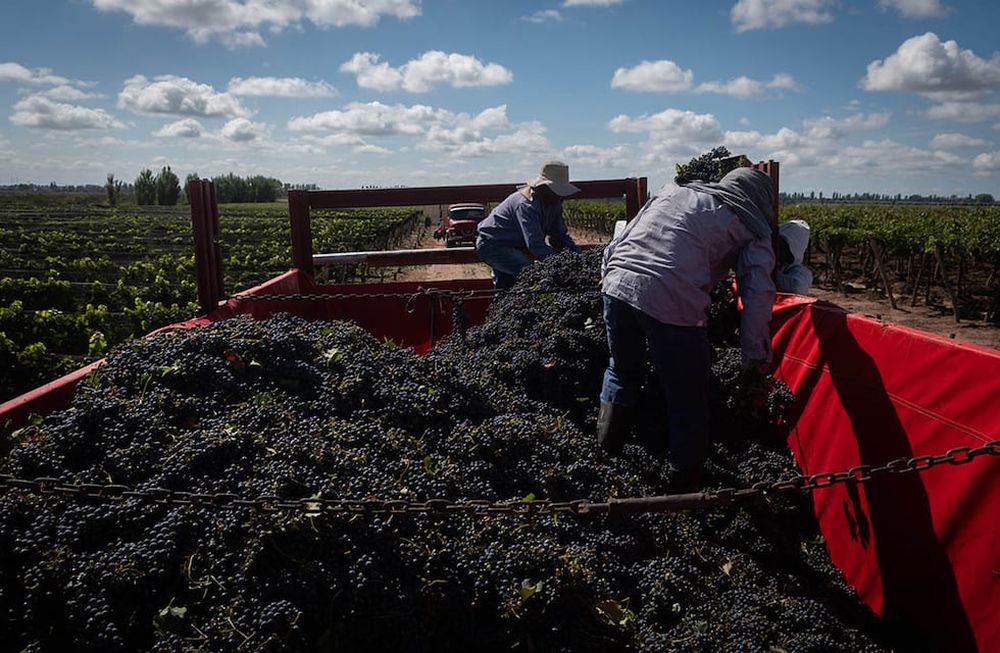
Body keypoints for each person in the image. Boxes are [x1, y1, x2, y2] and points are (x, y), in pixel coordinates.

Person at [598, 167, 777, 492]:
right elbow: (756, 296)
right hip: (673, 299)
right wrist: (754, 360)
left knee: (622, 372)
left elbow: (617, 244)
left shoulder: (672, 192)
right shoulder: (751, 225)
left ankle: (605, 454)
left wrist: (610, 282)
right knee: (688, 395)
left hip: (617, 284)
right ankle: (684, 488)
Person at [475, 160, 582, 289]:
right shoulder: (526, 205)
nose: (559, 196)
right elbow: (535, 243)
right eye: (556, 191)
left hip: (514, 246)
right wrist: (558, 264)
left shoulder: (554, 203)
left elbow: (559, 236)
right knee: (533, 274)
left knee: (507, 286)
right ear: (544, 187)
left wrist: (578, 257)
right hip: (492, 245)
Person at [776, 219, 813, 295]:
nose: (779, 249)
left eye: (784, 245)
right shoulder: (768, 260)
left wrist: (771, 275)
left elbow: (798, 287)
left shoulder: (800, 272)